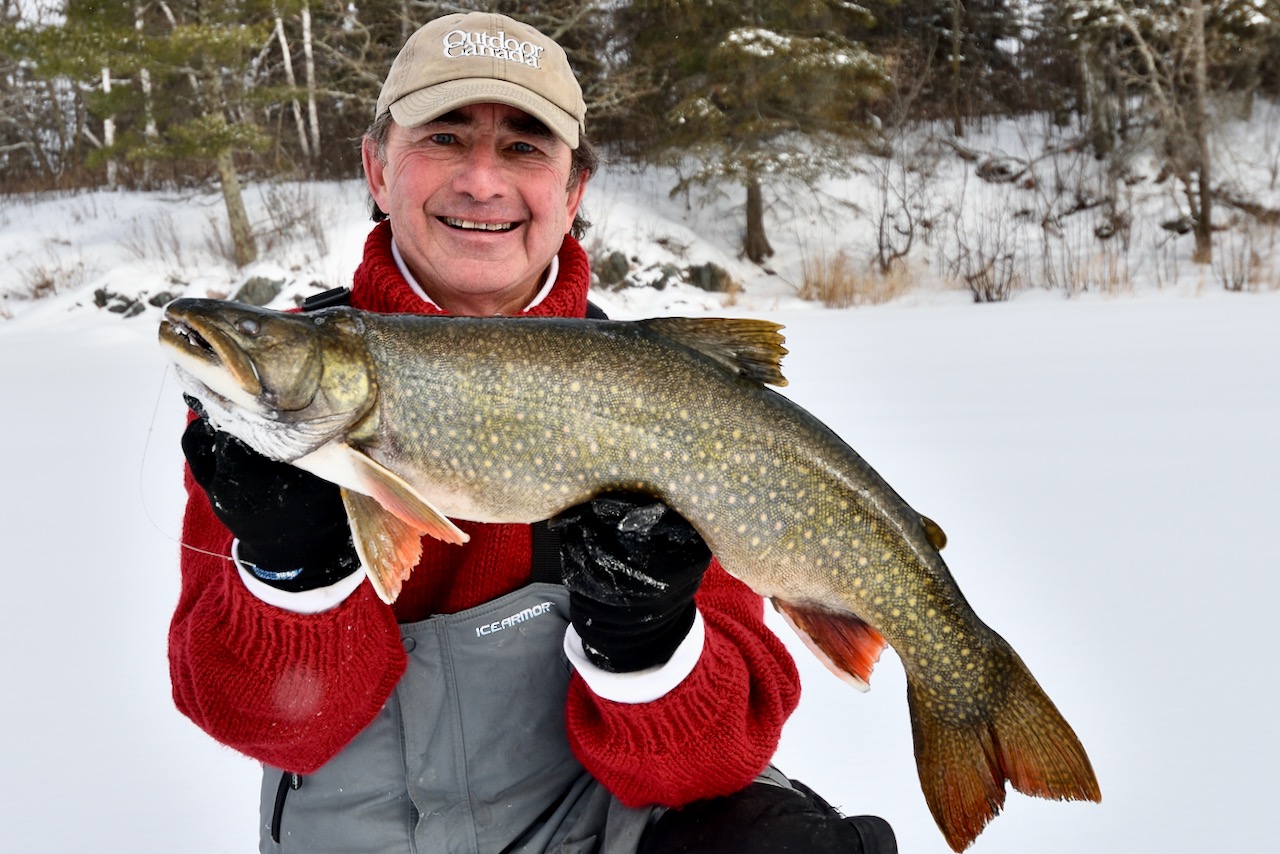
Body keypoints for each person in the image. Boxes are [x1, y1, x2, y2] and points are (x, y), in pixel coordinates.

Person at [170, 11, 896, 854]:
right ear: (376, 165)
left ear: (574, 191)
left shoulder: (658, 389)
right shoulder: (269, 409)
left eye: (524, 147)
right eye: (443, 137)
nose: (482, 181)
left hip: (601, 823)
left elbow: (708, 765)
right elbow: (268, 724)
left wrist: (647, 644)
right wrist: (292, 575)